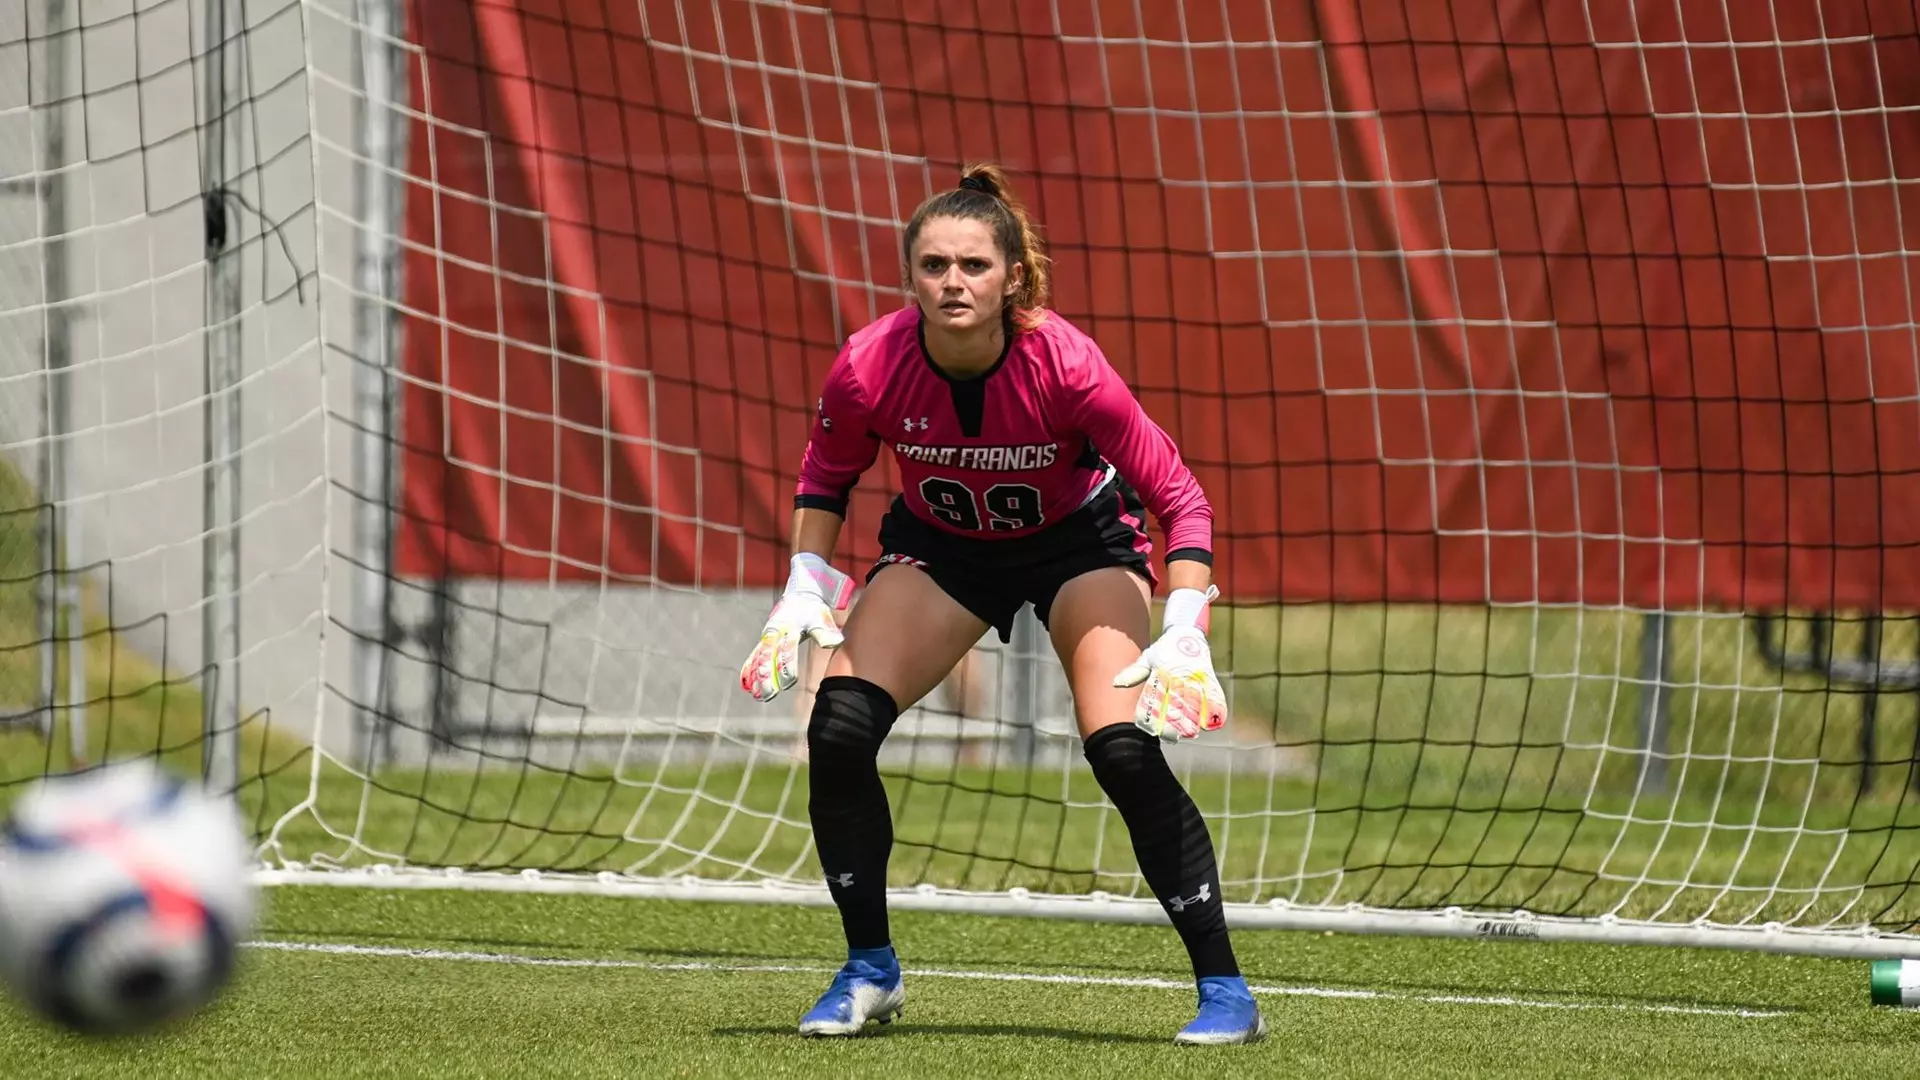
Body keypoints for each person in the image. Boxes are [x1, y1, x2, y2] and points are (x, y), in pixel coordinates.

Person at [738, 164, 1264, 1046]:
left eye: (974, 265)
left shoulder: (1067, 365)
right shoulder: (869, 364)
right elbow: (825, 474)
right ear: (910, 275)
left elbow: (1180, 498)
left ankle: (1226, 991)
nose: (954, 281)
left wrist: (1183, 625)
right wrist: (804, 580)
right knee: (836, 730)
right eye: (935, 264)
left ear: (1013, 276)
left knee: (1124, 752)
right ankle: (870, 969)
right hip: (945, 551)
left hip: (1078, 548)